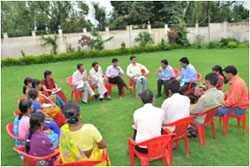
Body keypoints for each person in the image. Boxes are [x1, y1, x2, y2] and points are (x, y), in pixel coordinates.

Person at [189, 73, 224, 137]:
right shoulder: (220, 93)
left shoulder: (204, 97)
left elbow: (194, 111)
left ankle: (190, 129)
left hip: (200, 119)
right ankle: (192, 129)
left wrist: (188, 109)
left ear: (207, 82)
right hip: (209, 117)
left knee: (184, 113)